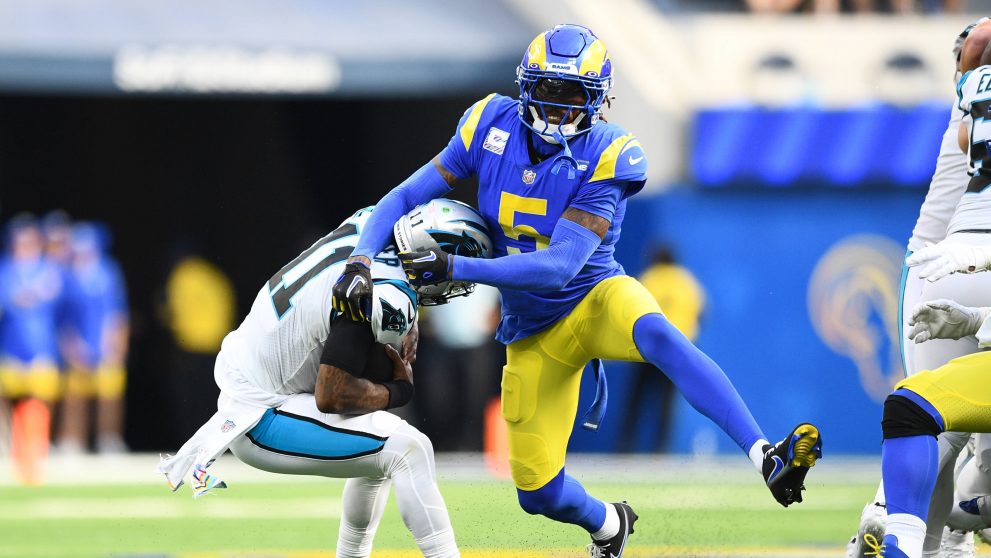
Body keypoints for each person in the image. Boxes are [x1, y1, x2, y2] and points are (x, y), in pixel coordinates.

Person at [331, 24, 822, 557]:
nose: (558, 105)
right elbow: (403, 196)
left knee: (659, 335)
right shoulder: (487, 124)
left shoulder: (611, 153)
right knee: (537, 493)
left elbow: (559, 268)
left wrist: (455, 266)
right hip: (532, 331)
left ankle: (765, 455)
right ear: (526, 85)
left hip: (593, 299)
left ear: (597, 101)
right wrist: (360, 257)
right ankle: (610, 525)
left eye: (573, 94)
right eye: (548, 88)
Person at [159, 202, 492, 558]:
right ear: (432, 250)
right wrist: (397, 390)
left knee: (381, 444)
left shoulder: (371, 228)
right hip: (261, 413)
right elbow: (332, 395)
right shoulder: (381, 292)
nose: (461, 278)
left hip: (257, 382)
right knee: (409, 450)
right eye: (458, 263)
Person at [847, 18, 991, 558]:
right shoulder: (971, 106)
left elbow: (979, 43)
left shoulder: (969, 108)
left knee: (935, 427)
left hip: (940, 263)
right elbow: (982, 34)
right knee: (963, 444)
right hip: (957, 259)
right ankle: (946, 529)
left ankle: (896, 515)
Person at [620, 245, 705, 453]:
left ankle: (626, 445)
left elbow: (632, 310)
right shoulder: (686, 282)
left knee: (636, 398)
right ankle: (661, 448)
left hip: (647, 349)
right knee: (666, 402)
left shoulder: (650, 277)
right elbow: (700, 313)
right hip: (676, 348)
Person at [0, 214, 65, 484]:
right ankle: (9, 446)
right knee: (8, 398)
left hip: (41, 347)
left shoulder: (49, 269)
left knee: (40, 400)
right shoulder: (6, 270)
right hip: (11, 347)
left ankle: (37, 449)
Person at [55, 223, 130, 454]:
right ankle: (71, 441)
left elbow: (118, 311)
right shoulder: (67, 276)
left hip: (106, 344)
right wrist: (71, 346)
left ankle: (109, 440)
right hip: (78, 344)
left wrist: (118, 343)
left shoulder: (109, 272)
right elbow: (63, 317)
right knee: (75, 397)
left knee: (110, 397)